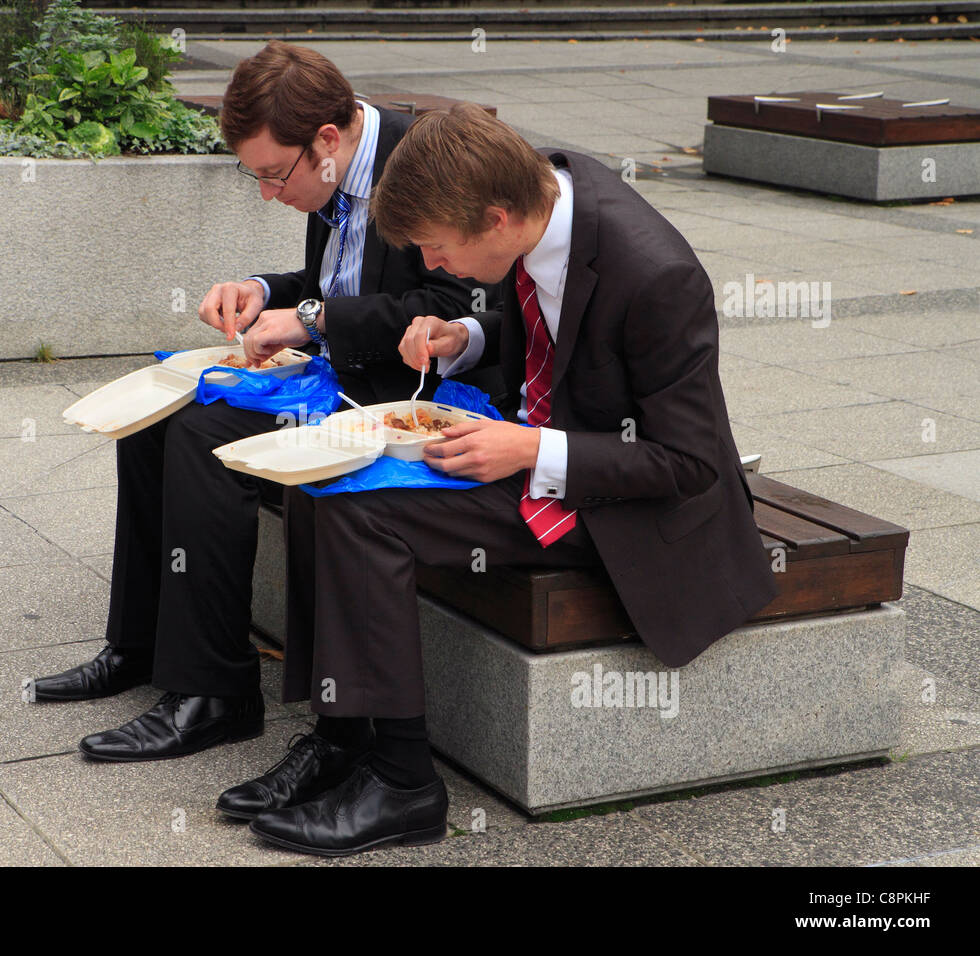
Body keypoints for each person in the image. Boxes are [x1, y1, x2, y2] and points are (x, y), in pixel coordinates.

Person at [240, 104, 780, 856]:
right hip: (537, 442)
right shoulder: (541, 193)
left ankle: (403, 786)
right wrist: (468, 335)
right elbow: (542, 325)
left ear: (495, 220)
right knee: (322, 479)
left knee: (363, 518)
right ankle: (341, 739)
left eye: (436, 247)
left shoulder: (657, 276)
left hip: (619, 506)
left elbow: (689, 465)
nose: (431, 267)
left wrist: (529, 450)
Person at [26, 43, 494, 784]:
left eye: (277, 174)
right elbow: (328, 279)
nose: (271, 194)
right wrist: (262, 290)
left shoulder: (418, 161)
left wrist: (310, 320)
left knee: (204, 433)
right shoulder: (334, 170)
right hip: (338, 373)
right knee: (157, 413)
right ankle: (141, 645)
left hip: (408, 397)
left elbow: (456, 302)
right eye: (259, 178)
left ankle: (215, 690)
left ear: (329, 141)